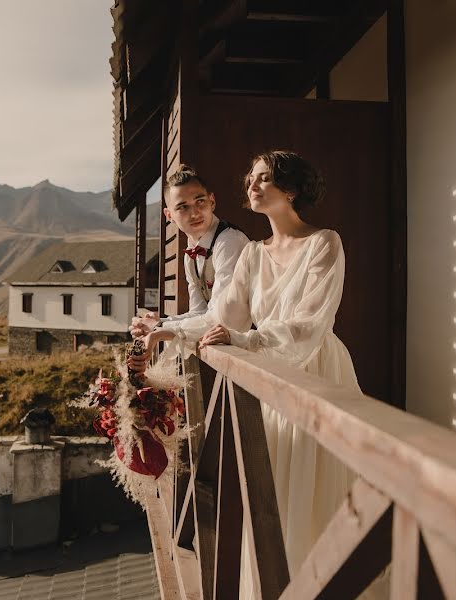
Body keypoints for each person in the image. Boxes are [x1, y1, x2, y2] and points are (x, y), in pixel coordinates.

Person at [140, 150, 385, 598]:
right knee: (276, 496)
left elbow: (309, 325)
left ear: (290, 190)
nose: (251, 186)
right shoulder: (252, 255)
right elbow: (223, 317)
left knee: (319, 491)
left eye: (264, 178)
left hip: (318, 371)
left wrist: (246, 341)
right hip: (269, 379)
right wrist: (166, 332)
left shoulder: (324, 242)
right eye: (250, 178)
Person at [129, 164, 249, 353]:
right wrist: (158, 323)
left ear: (212, 201)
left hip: (255, 348)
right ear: (169, 215)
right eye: (183, 207)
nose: (194, 213)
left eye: (200, 201)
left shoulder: (229, 242)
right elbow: (199, 312)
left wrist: (161, 329)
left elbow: (221, 318)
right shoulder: (191, 255)